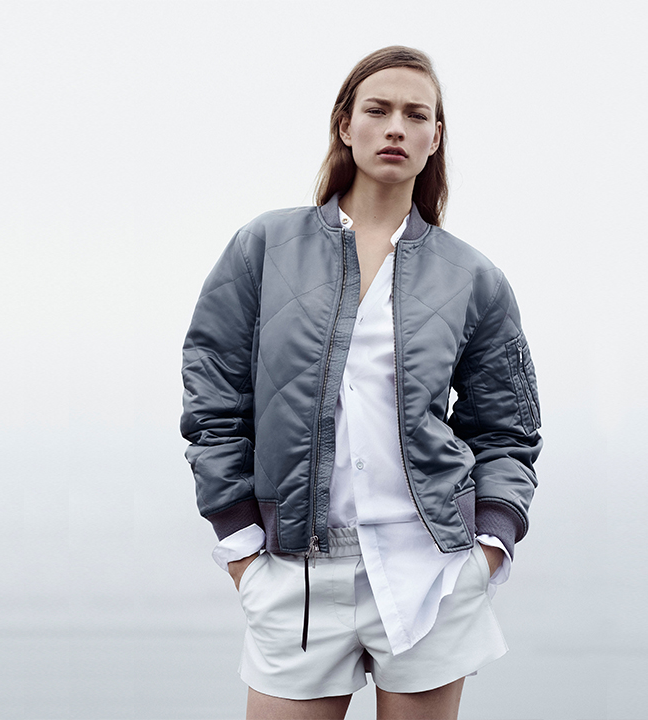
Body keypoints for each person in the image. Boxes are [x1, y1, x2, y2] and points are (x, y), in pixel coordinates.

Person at [180, 46, 542, 720]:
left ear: (436, 137)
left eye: (416, 115)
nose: (396, 127)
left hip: (432, 572)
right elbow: (214, 397)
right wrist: (240, 549)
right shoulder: (264, 247)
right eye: (378, 110)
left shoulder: (473, 278)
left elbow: (507, 429)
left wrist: (489, 548)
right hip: (294, 574)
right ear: (345, 125)